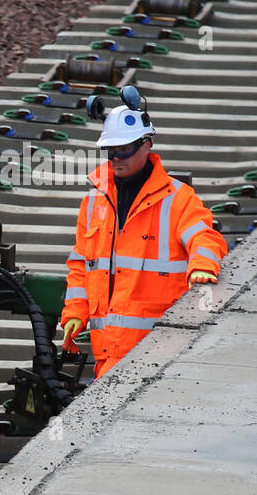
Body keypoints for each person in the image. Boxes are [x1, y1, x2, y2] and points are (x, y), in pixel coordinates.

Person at [60, 103, 226, 377]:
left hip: (158, 354)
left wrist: (202, 266)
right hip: (107, 353)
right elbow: (80, 265)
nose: (116, 157)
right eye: (110, 150)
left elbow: (205, 237)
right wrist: (76, 311)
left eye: (124, 149)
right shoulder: (92, 203)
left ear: (146, 145)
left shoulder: (177, 199)